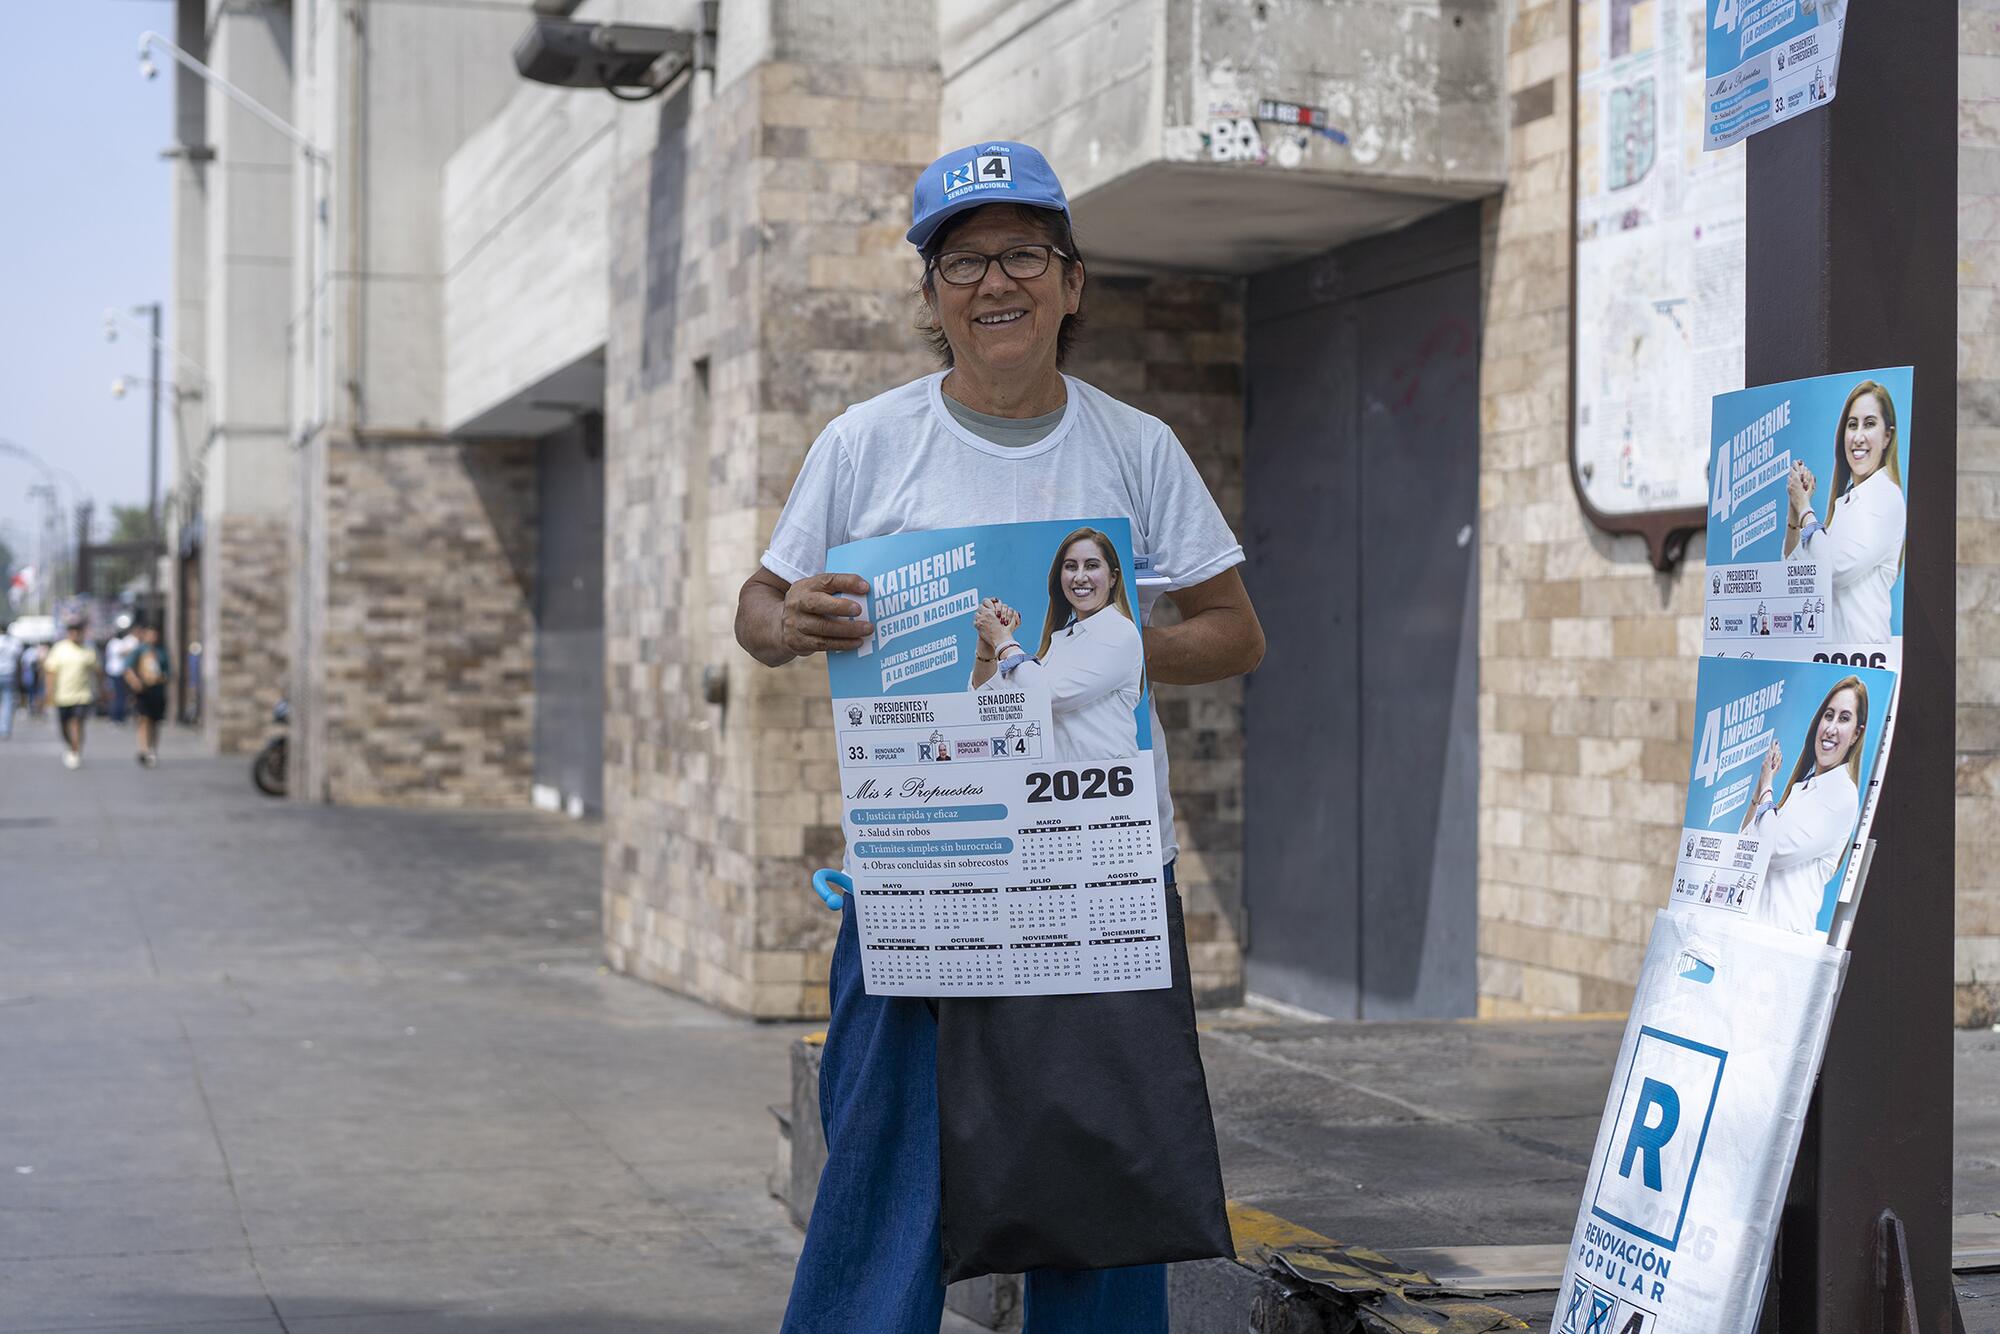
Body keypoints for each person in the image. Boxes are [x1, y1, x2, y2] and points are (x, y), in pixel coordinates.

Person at [734, 140, 1264, 1334]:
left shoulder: (1135, 447)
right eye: (960, 260)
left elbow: (1233, 631)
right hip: (922, 869)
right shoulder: (864, 444)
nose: (993, 282)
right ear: (929, 298)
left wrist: (1115, 648)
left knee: (1104, 1196)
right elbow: (757, 608)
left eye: (1021, 252)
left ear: (1071, 282)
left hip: (1095, 872)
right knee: (880, 1182)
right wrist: (792, 621)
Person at [971, 527, 1145, 761]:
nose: (1080, 576)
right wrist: (988, 643)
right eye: (1071, 566)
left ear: (1113, 577)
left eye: (1092, 565)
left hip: (1110, 790)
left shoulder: (1120, 633)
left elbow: (1047, 697)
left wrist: (1003, 638)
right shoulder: (1061, 640)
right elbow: (989, 703)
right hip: (1061, 789)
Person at [1739, 675, 1869, 934]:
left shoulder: (1841, 795)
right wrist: (1759, 792)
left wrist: (1767, 786)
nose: (1831, 727)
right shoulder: (1802, 789)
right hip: (1753, 935)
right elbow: (1743, 845)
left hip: (1782, 943)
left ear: (1856, 734)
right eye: (1828, 715)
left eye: (1844, 718)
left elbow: (1771, 851)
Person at [1784, 379, 1906, 646]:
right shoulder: (1847, 503)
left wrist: (1806, 508)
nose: (1858, 436)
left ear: (1888, 436)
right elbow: (1794, 572)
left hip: (1865, 663)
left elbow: (1831, 571)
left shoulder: (1884, 496)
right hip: (1832, 661)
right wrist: (1795, 510)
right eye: (1853, 425)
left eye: (1870, 423)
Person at [42, 618, 102, 770]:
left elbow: (98, 671)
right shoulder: (59, 649)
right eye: (72, 632)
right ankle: (71, 745)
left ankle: (76, 751)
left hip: (83, 695)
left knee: (77, 723)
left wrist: (102, 690)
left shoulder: (88, 650)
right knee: (64, 726)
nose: (75, 634)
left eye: (78, 631)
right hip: (62, 696)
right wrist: (49, 692)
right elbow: (50, 672)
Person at [123, 623, 171, 767]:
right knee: (144, 720)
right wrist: (135, 682)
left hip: (157, 691)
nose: (153, 637)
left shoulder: (162, 651)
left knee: (155, 722)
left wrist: (161, 677)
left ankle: (152, 749)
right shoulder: (139, 650)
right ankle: (143, 749)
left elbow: (168, 672)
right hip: (143, 691)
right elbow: (128, 668)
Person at [104, 619, 139, 725]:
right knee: (119, 695)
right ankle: (116, 717)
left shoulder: (123, 641)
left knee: (123, 696)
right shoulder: (114, 643)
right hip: (116, 672)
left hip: (123, 672)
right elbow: (122, 652)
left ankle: (121, 716)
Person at [0, 629, 19, 740]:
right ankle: (5, 728)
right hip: (9, 674)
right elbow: (17, 658)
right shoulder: (12, 642)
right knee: (7, 703)